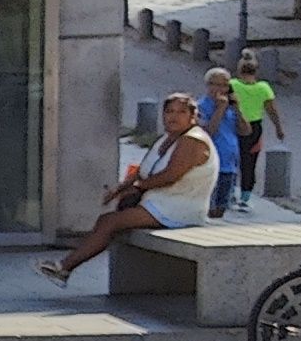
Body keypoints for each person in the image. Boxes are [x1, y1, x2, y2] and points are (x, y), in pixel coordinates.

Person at [40, 92, 220, 282]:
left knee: (109, 222)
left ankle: (64, 268)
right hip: (158, 203)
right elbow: (142, 170)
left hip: (179, 208)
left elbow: (170, 176)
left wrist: (138, 187)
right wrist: (120, 188)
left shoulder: (193, 140)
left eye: (181, 112)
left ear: (193, 116)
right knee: (109, 219)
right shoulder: (166, 139)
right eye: (169, 111)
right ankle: (69, 265)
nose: (173, 117)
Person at [226, 60, 282, 191]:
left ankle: (231, 189)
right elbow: (272, 110)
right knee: (249, 161)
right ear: (256, 71)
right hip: (254, 127)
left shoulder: (232, 85)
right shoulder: (264, 88)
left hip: (233, 124)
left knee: (231, 158)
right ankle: (246, 195)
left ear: (239, 71)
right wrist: (278, 128)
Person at [201, 62, 244, 219]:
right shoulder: (202, 106)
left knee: (221, 208)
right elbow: (208, 132)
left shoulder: (231, 108)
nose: (220, 90)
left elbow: (245, 130)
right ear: (208, 85)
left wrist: (237, 108)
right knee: (209, 207)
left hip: (229, 164)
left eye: (225, 86)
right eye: (216, 85)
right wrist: (219, 109)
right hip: (211, 163)